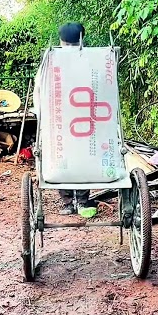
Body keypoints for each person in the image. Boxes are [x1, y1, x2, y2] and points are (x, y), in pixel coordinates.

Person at [56, 23, 98, 218]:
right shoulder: (92, 58)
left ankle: (69, 202)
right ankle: (80, 201)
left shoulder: (53, 58)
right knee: (82, 157)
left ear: (61, 41)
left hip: (62, 117)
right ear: (82, 39)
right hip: (82, 117)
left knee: (62, 157)